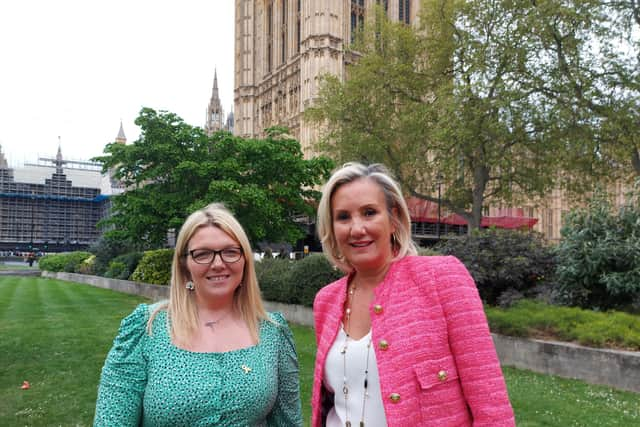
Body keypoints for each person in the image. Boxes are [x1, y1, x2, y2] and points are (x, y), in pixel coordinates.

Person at [311, 163, 515, 427]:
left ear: (393, 219)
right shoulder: (326, 301)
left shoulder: (441, 279)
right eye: (343, 217)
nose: (357, 228)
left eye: (369, 212)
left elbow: (492, 406)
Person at [94, 203, 303, 427]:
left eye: (230, 252)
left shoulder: (273, 331)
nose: (218, 264)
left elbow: (287, 422)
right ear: (185, 265)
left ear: (245, 259)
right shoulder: (147, 328)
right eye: (202, 254)